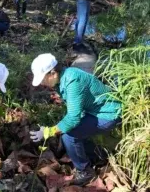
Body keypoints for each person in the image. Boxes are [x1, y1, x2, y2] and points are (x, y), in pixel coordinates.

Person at [29, 53, 121, 186]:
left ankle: (85, 172)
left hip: (108, 113)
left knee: (69, 136)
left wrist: (48, 132)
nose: (42, 83)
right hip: (93, 111)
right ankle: (97, 155)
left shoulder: (73, 81)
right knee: (71, 130)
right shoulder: (64, 76)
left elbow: (73, 118)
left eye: (43, 79)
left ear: (53, 73)